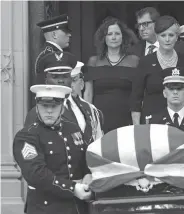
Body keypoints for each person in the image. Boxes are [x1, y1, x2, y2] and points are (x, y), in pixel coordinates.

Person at [13, 84, 92, 214]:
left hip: (76, 208)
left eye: (54, 106)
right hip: (46, 208)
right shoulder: (27, 136)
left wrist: (88, 174)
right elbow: (36, 174)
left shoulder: (73, 129)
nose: (49, 111)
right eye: (44, 106)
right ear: (37, 107)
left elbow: (84, 159)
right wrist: (73, 188)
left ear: (62, 108)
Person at [130, 15, 184, 125]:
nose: (167, 39)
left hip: (179, 121)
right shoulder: (145, 61)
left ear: (177, 37)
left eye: (171, 35)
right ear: (157, 37)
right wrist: (137, 127)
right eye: (163, 35)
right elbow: (136, 98)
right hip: (151, 121)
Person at [24, 52, 103, 144]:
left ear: (70, 79)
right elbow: (30, 147)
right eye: (55, 77)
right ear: (46, 80)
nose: (61, 80)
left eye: (65, 76)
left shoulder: (88, 108)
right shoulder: (37, 112)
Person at [83, 17, 139, 133]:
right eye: (109, 34)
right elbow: (88, 93)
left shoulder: (134, 61)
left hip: (126, 119)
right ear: (104, 38)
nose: (113, 37)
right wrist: (88, 119)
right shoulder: (93, 61)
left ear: (123, 37)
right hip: (100, 119)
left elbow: (138, 94)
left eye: (117, 34)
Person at [146, 67, 184, 135]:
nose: (175, 92)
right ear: (164, 93)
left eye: (179, 89)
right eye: (171, 89)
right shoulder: (153, 122)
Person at [35, 14, 71, 84]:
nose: (69, 35)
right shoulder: (52, 56)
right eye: (66, 31)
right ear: (54, 35)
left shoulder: (47, 53)